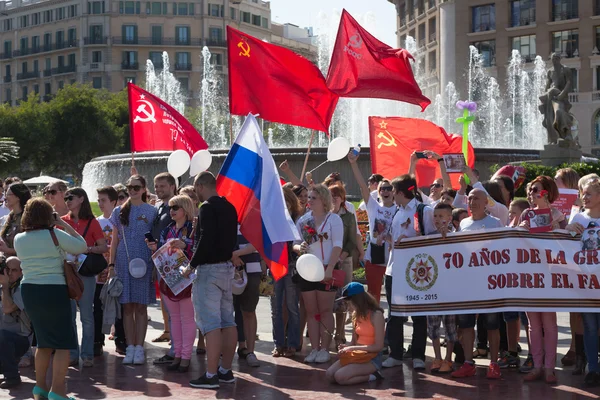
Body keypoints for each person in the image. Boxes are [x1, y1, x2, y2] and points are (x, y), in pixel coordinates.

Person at [14, 198, 87, 400]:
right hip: (54, 290)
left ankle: (40, 388)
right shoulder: (55, 234)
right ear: (49, 216)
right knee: (63, 343)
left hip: (29, 290)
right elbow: (82, 246)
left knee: (43, 342)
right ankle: (58, 392)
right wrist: (62, 223)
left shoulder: (19, 238)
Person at [182, 171, 238, 389]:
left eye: (196, 188)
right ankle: (225, 370)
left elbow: (206, 239)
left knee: (211, 324)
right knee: (228, 320)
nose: (196, 193)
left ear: (201, 186)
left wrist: (191, 265)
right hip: (226, 268)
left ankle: (211, 374)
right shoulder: (230, 207)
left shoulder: (207, 208)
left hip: (209, 270)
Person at [384, 175, 435, 370]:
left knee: (419, 315)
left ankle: (418, 355)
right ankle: (395, 354)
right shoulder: (397, 212)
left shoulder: (424, 211)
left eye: (392, 191)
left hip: (416, 272)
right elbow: (396, 240)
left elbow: (432, 239)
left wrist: (412, 241)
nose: (390, 194)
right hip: (393, 269)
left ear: (399, 192)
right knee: (395, 314)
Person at [452, 189, 504, 379]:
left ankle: (494, 363)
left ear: (485, 202)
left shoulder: (495, 223)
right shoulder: (464, 223)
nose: (472, 202)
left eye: (476, 199)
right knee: (466, 324)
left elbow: (503, 251)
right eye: (470, 198)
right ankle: (468, 363)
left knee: (492, 324)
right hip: (467, 282)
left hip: (489, 283)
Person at [108, 175, 157, 365]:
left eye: (137, 187)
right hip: (123, 261)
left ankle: (140, 348)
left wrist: (154, 265)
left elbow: (155, 240)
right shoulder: (119, 211)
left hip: (145, 260)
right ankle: (130, 346)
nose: (133, 190)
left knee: (141, 306)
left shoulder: (152, 211)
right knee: (127, 306)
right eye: (130, 187)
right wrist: (111, 265)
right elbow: (114, 240)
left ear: (144, 189)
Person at [520, 177, 563, 384]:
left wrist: (557, 228)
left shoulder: (557, 215)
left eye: (535, 190)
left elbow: (566, 243)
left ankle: (549, 368)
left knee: (549, 323)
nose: (531, 194)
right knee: (533, 324)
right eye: (529, 191)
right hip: (529, 276)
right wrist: (520, 228)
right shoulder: (525, 214)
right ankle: (537, 366)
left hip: (549, 276)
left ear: (546, 192)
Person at [294, 184, 343, 364]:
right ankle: (314, 349)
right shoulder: (304, 220)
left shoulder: (334, 220)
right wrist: (300, 248)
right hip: (307, 269)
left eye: (313, 197)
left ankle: (325, 349)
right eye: (309, 198)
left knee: (325, 310)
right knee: (311, 310)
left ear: (323, 199)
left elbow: (338, 245)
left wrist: (330, 268)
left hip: (326, 268)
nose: (309, 200)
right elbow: (295, 242)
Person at [148, 195, 196, 373]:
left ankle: (185, 357)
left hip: (188, 279)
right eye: (170, 208)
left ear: (185, 208)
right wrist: (155, 249)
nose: (172, 211)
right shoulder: (167, 230)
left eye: (176, 207)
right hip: (170, 279)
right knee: (174, 318)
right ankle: (177, 355)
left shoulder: (193, 228)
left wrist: (185, 245)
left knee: (187, 319)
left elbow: (199, 250)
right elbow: (162, 252)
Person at [62, 188, 108, 368]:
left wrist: (85, 249)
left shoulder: (92, 222)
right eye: (65, 198)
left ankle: (87, 353)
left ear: (81, 199)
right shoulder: (62, 222)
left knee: (87, 315)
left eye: (70, 197)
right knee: (70, 315)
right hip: (67, 272)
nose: (67, 200)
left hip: (85, 273)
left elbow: (103, 247)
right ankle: (73, 353)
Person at [348, 152, 397, 301]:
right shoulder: (373, 207)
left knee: (394, 294)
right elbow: (363, 187)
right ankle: (373, 321)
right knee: (373, 294)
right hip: (374, 255)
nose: (386, 191)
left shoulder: (400, 209)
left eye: (389, 188)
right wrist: (353, 163)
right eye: (383, 189)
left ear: (394, 191)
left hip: (393, 257)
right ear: (379, 192)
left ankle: (394, 321)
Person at [567, 177, 600, 387]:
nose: (584, 197)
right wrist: (569, 227)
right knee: (589, 326)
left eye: (588, 194)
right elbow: (565, 244)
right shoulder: (579, 217)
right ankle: (593, 369)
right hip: (586, 283)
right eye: (583, 194)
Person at [554, 167, 584, 371]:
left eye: (558, 180)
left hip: (581, 262)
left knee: (582, 308)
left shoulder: (584, 206)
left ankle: (579, 348)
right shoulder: (552, 203)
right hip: (560, 258)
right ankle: (575, 346)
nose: (554, 183)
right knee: (574, 308)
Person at [326, 282, 384, 385]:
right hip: (357, 355)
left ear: (357, 301)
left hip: (372, 358)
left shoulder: (376, 315)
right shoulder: (355, 315)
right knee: (329, 375)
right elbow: (354, 342)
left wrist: (352, 348)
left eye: (349, 302)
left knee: (340, 377)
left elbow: (378, 346)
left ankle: (373, 375)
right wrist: (346, 347)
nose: (347, 305)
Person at [271, 186, 301, 358]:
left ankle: (292, 343)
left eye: (286, 202)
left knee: (292, 306)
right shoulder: (271, 219)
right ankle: (278, 344)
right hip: (275, 266)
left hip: (291, 265)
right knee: (275, 308)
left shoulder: (297, 220)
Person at [427, 203, 457, 373]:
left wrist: (449, 237)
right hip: (433, 288)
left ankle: (449, 358)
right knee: (432, 324)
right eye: (436, 216)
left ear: (449, 218)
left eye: (441, 216)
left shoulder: (456, 236)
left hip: (450, 289)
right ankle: (437, 358)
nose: (438, 219)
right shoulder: (428, 236)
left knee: (450, 325)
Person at [150, 173, 177, 362]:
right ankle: (175, 347)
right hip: (160, 261)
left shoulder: (178, 206)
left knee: (176, 307)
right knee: (167, 305)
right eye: (156, 186)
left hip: (174, 262)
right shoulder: (159, 207)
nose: (159, 190)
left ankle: (178, 349)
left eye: (162, 186)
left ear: (172, 186)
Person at [329, 184, 357, 348]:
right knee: (328, 299)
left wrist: (341, 256)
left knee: (343, 299)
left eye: (336, 196)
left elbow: (352, 240)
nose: (333, 199)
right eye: (330, 195)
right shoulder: (323, 216)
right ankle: (329, 332)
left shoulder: (348, 216)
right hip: (326, 261)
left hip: (343, 261)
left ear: (342, 198)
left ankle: (340, 334)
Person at [232, 228, 262, 368]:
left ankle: (250, 352)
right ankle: (224, 350)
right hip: (227, 268)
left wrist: (236, 254)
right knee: (225, 312)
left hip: (252, 268)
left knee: (249, 311)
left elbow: (257, 243)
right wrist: (231, 256)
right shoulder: (227, 214)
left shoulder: (254, 217)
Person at [94, 186, 118, 357]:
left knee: (118, 306)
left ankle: (121, 339)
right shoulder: (96, 222)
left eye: (103, 200)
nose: (100, 203)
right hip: (98, 270)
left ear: (113, 201)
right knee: (98, 306)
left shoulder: (120, 221)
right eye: (98, 200)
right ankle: (97, 341)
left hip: (116, 269)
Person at [0, 257, 31, 389]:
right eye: (8, 270)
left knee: (2, 336)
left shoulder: (23, 288)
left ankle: (12, 377)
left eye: (14, 270)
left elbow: (7, 309)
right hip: (4, 343)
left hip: (20, 341)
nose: (10, 273)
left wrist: (5, 286)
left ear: (21, 272)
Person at [539, 52, 575, 144]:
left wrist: (562, 95)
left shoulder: (565, 69)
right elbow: (547, 85)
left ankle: (567, 133)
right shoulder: (550, 71)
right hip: (551, 96)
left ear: (559, 59)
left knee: (559, 112)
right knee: (550, 119)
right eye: (553, 59)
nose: (554, 60)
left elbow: (569, 83)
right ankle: (553, 139)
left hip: (560, 97)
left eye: (556, 58)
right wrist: (545, 96)